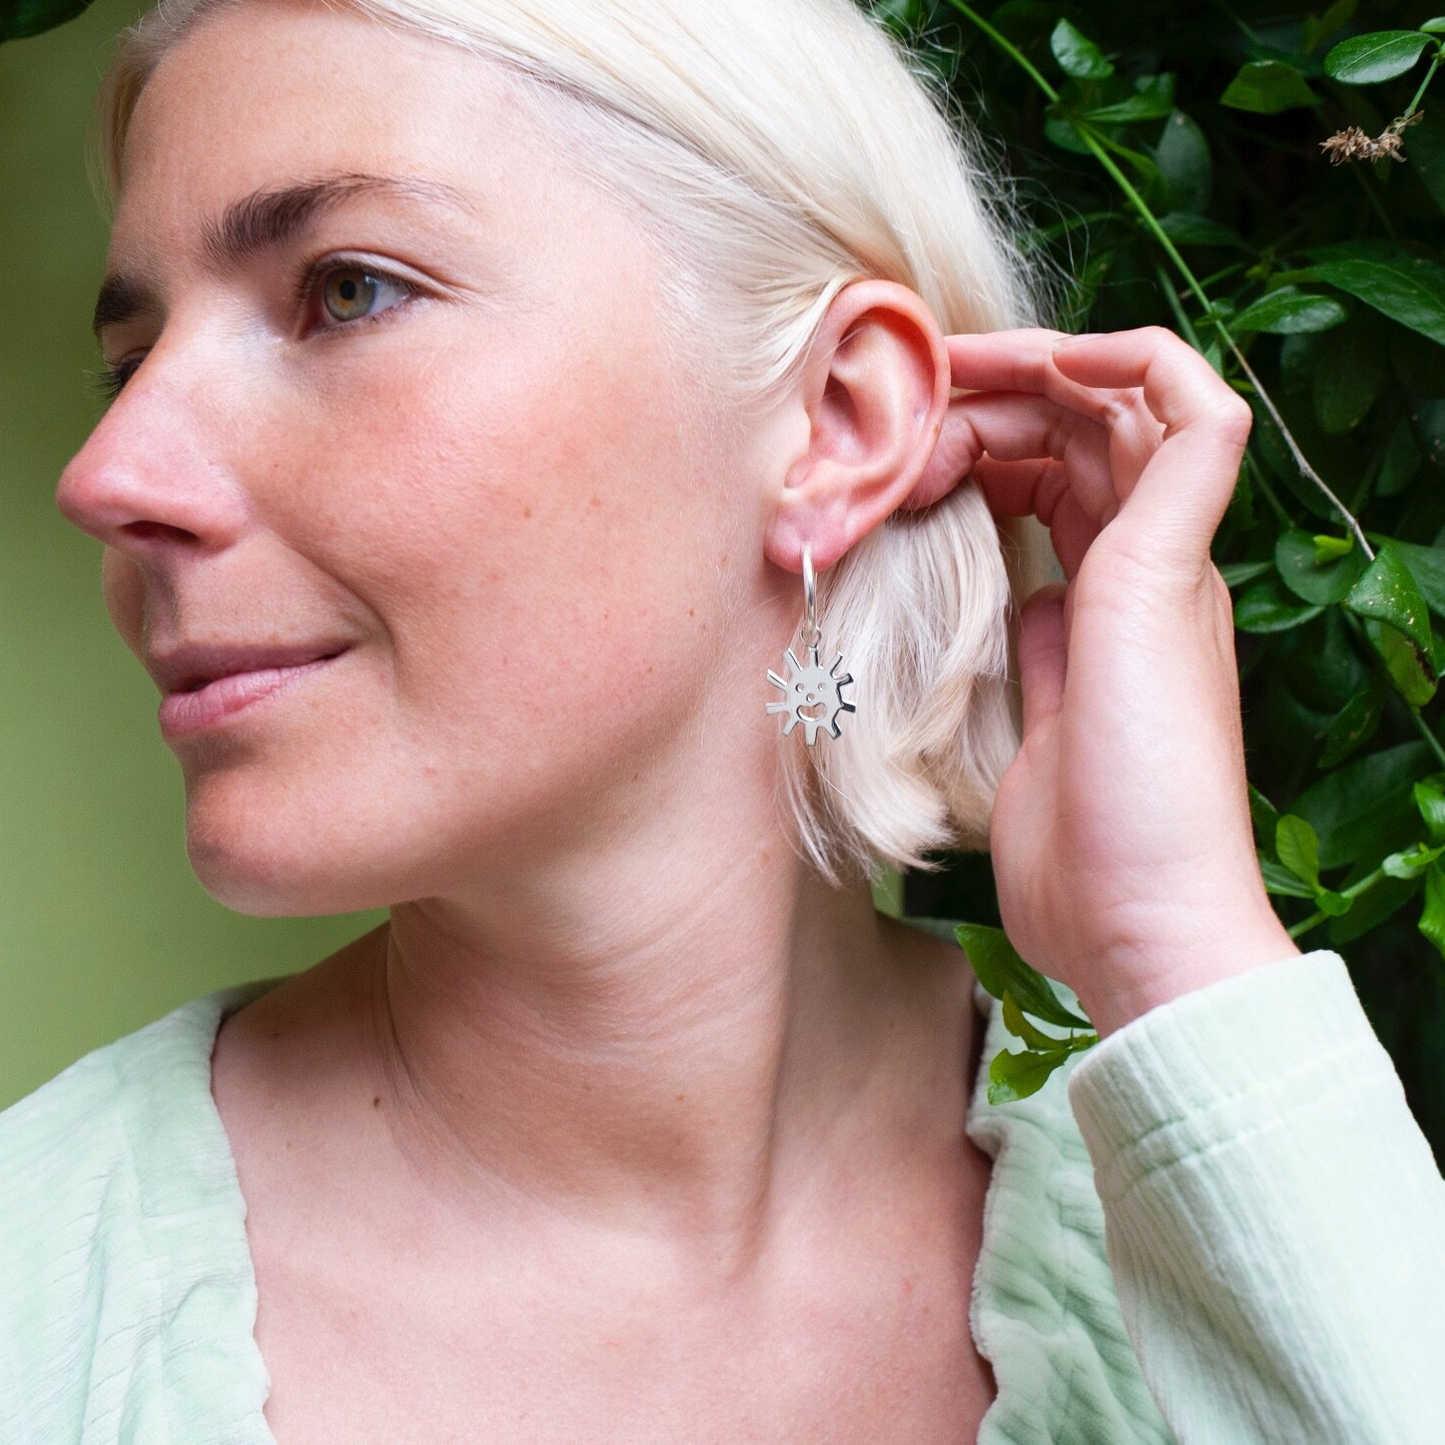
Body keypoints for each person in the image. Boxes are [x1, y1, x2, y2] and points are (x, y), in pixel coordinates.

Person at [3, 0, 1442, 1439]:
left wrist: (1182, 953)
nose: (109, 471)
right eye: (130, 364)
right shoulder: (42, 1305)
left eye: (347, 291)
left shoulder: (1242, 1211)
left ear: (838, 421)